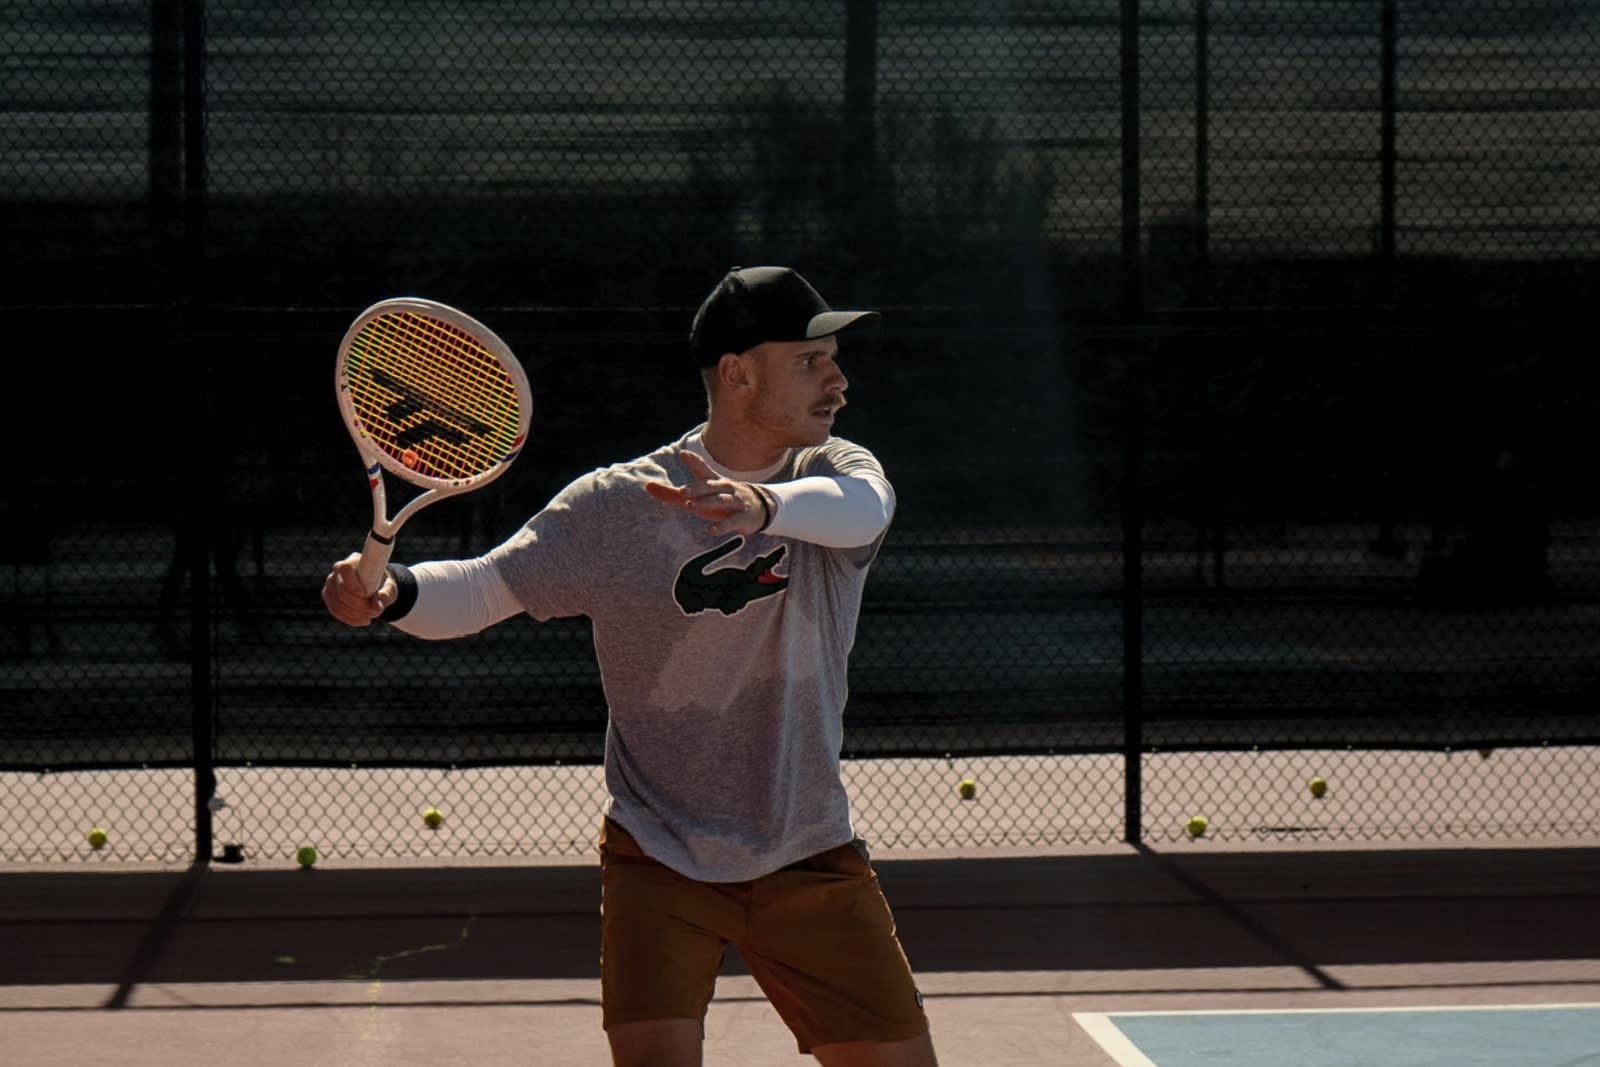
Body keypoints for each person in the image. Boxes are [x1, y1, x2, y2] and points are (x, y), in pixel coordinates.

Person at [322, 266, 938, 1067]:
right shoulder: (616, 505)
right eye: (810, 360)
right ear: (738, 373)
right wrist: (392, 591)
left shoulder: (836, 473)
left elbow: (864, 512)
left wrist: (762, 508)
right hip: (660, 856)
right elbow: (484, 587)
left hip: (808, 851)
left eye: (834, 360)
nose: (839, 380)